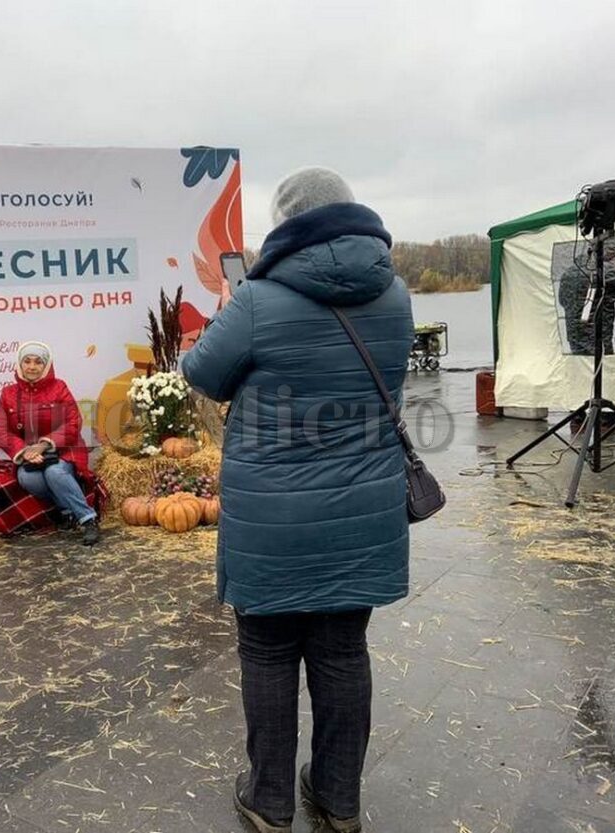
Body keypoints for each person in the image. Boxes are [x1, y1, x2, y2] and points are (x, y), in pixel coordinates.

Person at [182, 167, 414, 833]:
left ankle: (270, 798)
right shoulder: (395, 293)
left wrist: (235, 302)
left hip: (272, 521)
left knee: (269, 652)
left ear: (285, 222)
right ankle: (340, 800)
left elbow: (201, 372)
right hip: (363, 514)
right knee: (344, 653)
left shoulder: (259, 298)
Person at [0, 341, 100, 546]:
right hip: (29, 455)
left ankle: (87, 519)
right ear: (19, 364)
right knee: (29, 479)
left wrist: (43, 445)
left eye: (38, 362)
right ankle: (66, 509)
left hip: (65, 449)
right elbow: (1, 430)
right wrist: (24, 451)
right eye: (27, 361)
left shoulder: (59, 387)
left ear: (47, 365)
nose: (32, 366)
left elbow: (73, 421)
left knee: (54, 472)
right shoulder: (8, 394)